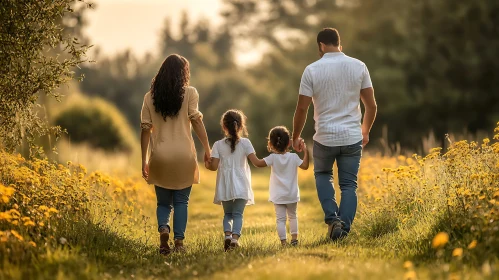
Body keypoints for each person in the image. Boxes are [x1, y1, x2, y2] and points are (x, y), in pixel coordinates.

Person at [292, 28, 378, 241]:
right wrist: (365, 130)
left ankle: (333, 220)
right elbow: (371, 106)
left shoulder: (311, 70)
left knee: (323, 175)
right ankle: (343, 230)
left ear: (321, 45)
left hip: (325, 137)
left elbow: (302, 108)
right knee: (349, 185)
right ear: (340, 43)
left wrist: (295, 136)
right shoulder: (359, 66)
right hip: (351, 136)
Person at [140, 54, 211, 255]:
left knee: (163, 202)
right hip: (184, 156)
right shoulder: (190, 93)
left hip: (160, 156)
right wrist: (207, 149)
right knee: (181, 201)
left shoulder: (149, 97)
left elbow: (145, 129)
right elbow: (196, 121)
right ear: (184, 74)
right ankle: (179, 242)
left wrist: (144, 160)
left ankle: (164, 229)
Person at [204, 109, 260, 251]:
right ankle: (235, 239)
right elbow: (257, 163)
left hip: (226, 184)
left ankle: (227, 236)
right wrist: (274, 160)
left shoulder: (217, 145)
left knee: (228, 214)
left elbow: (214, 167)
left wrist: (206, 164)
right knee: (238, 214)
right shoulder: (246, 143)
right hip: (241, 184)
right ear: (241, 126)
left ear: (224, 126)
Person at [263, 126, 309, 246]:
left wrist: (249, 154)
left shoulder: (272, 158)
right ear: (289, 143)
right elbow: (305, 166)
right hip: (291, 194)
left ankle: (283, 242)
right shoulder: (293, 157)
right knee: (293, 217)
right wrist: (306, 151)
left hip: (278, 195)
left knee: (280, 219)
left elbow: (258, 163)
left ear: (270, 143)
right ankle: (294, 240)